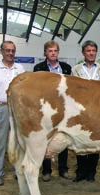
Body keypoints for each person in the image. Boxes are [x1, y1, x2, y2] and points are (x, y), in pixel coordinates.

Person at [0, 41, 25, 186]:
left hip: (16, 109)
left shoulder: (20, 69)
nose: (10, 53)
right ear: (1, 51)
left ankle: (18, 171)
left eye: (13, 50)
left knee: (18, 142)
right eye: (7, 50)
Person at [33, 40, 72, 182]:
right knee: (46, 138)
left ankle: (63, 169)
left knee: (63, 138)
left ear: (58, 52)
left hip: (64, 109)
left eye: (55, 50)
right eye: (50, 51)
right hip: (46, 109)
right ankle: (46, 170)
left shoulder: (67, 68)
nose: (53, 53)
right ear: (45, 52)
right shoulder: (38, 68)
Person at [71, 40, 100, 183]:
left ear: (96, 53)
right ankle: (80, 172)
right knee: (80, 140)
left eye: (93, 51)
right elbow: (72, 90)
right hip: (81, 110)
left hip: (98, 111)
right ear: (83, 53)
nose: (91, 53)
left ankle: (92, 172)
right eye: (88, 51)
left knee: (95, 142)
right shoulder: (76, 69)